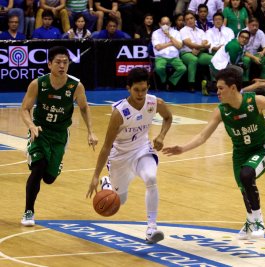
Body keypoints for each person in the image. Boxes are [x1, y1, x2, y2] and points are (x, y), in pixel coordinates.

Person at [162, 68, 265, 240]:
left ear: (233, 88)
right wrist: (182, 148)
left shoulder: (255, 101)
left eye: (220, 88)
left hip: (261, 150)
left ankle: (258, 221)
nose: (217, 91)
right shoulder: (221, 111)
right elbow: (203, 136)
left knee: (247, 174)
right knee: (245, 189)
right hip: (239, 154)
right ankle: (250, 221)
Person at [86, 67, 173, 244]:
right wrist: (95, 175)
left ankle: (151, 228)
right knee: (120, 201)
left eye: (144, 89)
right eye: (136, 90)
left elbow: (168, 117)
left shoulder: (155, 103)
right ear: (128, 88)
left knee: (150, 178)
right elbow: (106, 147)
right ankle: (107, 182)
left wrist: (162, 135)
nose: (140, 94)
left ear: (148, 87)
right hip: (120, 156)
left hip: (142, 149)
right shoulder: (119, 112)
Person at [20, 46, 98, 226]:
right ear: (49, 64)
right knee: (38, 168)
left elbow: (85, 108)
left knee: (49, 178)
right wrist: (31, 125)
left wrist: (91, 131)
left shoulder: (75, 86)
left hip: (60, 134)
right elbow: (25, 108)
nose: (62, 66)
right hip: (40, 131)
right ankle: (28, 212)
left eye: (65, 62)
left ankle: (57, 161)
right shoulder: (38, 84)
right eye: (58, 62)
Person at [151, 16, 187, 90]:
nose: (165, 26)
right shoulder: (155, 33)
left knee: (182, 68)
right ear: (159, 24)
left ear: (170, 24)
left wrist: (169, 36)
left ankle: (171, 82)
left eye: (167, 23)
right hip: (160, 56)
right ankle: (164, 80)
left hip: (174, 57)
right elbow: (158, 47)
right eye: (163, 24)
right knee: (159, 68)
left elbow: (179, 46)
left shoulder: (176, 33)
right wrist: (171, 43)